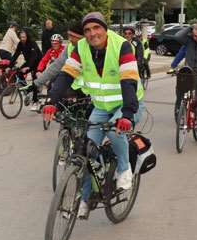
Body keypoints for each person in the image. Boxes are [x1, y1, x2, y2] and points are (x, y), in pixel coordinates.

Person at [45, 12, 139, 218]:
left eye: (96, 28)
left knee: (115, 132)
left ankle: (124, 169)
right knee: (85, 151)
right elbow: (66, 75)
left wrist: (127, 114)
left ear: (105, 29)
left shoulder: (122, 46)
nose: (92, 33)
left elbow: (129, 81)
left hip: (126, 105)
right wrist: (52, 101)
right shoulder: (81, 48)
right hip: (101, 106)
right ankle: (84, 200)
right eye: (87, 30)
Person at [32, 22, 85, 94]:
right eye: (53, 43)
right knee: (51, 90)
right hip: (68, 81)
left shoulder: (63, 49)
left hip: (85, 88)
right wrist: (39, 72)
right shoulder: (66, 48)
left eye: (73, 36)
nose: (70, 39)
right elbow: (49, 63)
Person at [10, 30, 42, 109]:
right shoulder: (20, 44)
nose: (22, 39)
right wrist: (9, 66)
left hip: (38, 62)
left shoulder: (32, 43)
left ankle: (35, 101)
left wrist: (28, 67)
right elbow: (16, 55)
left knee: (34, 81)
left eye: (24, 37)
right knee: (19, 73)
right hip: (29, 62)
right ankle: (28, 91)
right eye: (21, 37)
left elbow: (34, 56)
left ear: (27, 36)